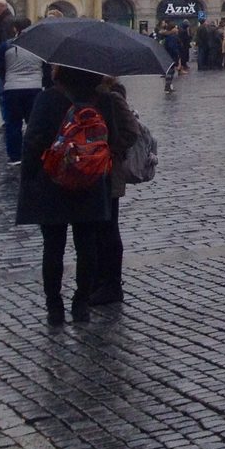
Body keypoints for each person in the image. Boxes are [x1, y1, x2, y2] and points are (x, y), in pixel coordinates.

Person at [17, 65, 122, 325]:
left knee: (53, 247)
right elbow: (115, 140)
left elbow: (33, 140)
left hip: (53, 181)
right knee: (86, 246)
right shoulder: (103, 98)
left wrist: (30, 177)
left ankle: (54, 307)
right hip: (90, 182)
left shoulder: (49, 98)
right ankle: (81, 304)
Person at [88, 75, 138, 307]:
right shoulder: (87, 94)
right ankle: (99, 279)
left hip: (109, 169)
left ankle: (112, 283)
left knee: (108, 227)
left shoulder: (112, 97)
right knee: (95, 228)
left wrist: (110, 149)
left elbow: (131, 132)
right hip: (90, 169)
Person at [0, 17, 43, 164]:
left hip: (12, 88)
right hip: (34, 88)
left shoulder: (6, 46)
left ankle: (15, 156)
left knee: (13, 123)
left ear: (15, 28)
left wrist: (5, 74)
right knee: (33, 123)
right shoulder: (39, 47)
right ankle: (35, 153)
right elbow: (46, 68)